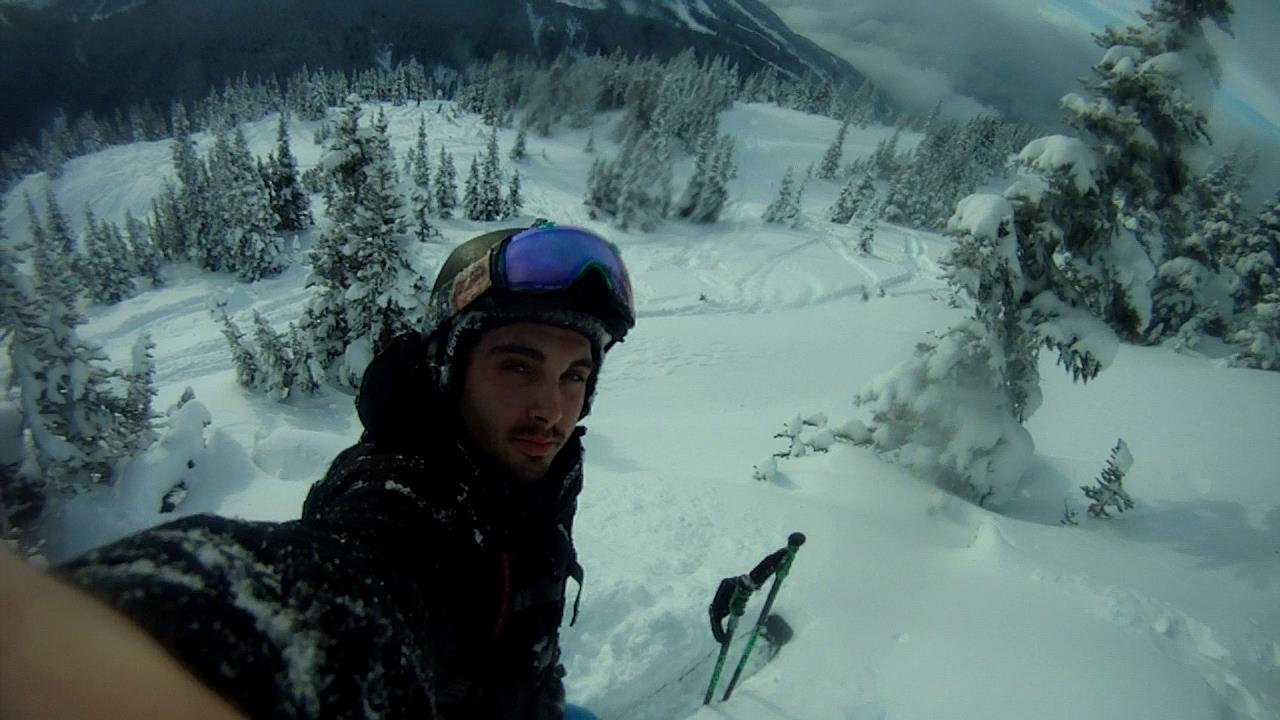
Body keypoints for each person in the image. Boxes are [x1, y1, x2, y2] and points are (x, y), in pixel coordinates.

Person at [0, 222, 635, 719]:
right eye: (517, 366)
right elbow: (341, 587)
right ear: (450, 368)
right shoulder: (408, 494)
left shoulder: (533, 468)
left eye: (574, 376)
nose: (551, 409)